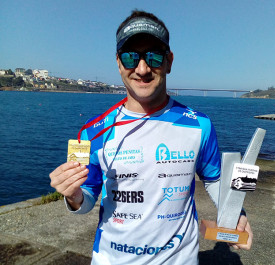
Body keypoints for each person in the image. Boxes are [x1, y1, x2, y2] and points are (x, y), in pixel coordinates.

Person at [49, 10, 253, 265]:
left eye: (154, 56)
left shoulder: (200, 124)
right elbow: (87, 195)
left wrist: (236, 212)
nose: (142, 69)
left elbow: (214, 179)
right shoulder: (91, 132)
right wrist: (73, 195)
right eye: (131, 57)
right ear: (119, 63)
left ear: (169, 61)